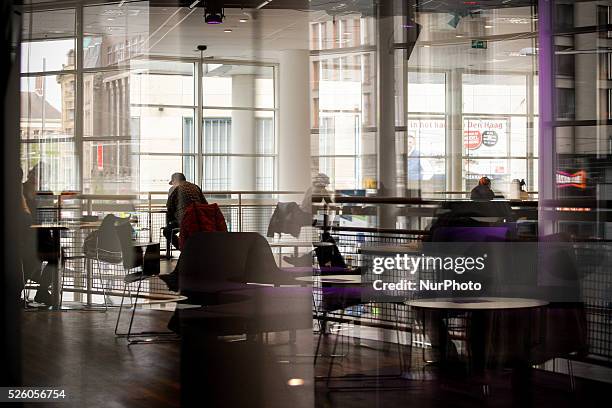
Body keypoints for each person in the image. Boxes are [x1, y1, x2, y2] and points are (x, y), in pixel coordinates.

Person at [19, 166, 55, 305]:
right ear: (29, 174)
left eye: (40, 176)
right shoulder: (20, 190)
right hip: (25, 236)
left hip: (40, 235)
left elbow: (48, 217)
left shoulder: (45, 193)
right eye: (34, 173)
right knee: (33, 259)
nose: (36, 178)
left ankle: (42, 291)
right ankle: (17, 292)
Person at [163, 172, 207, 253]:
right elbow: (205, 204)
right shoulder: (196, 187)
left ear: (175, 181)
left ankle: (184, 250)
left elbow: (170, 208)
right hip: (200, 219)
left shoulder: (176, 190)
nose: (172, 185)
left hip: (185, 220)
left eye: (172, 183)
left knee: (167, 231)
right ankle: (190, 248)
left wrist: (170, 221)